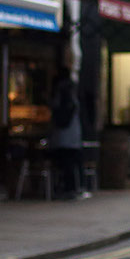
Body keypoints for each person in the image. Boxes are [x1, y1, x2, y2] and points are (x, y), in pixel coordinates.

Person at [47, 70, 84, 199]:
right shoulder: (72, 92)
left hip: (62, 137)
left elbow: (56, 110)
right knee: (70, 164)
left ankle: (65, 188)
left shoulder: (60, 94)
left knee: (65, 164)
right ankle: (72, 188)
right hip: (72, 137)